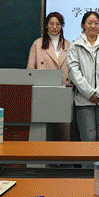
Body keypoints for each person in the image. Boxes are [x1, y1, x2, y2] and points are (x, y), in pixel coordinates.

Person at [67, 11, 99, 141]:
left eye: (96, 23)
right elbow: (73, 71)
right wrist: (89, 93)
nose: (93, 26)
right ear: (83, 25)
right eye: (89, 23)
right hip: (84, 99)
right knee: (88, 137)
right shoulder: (75, 45)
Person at [27, 11, 72, 140]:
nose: (54, 27)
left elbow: (74, 69)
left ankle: (63, 153)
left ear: (62, 26)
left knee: (64, 131)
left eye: (58, 24)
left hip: (63, 91)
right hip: (42, 91)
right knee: (43, 130)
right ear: (46, 25)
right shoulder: (38, 44)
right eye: (51, 23)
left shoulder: (68, 45)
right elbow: (30, 69)